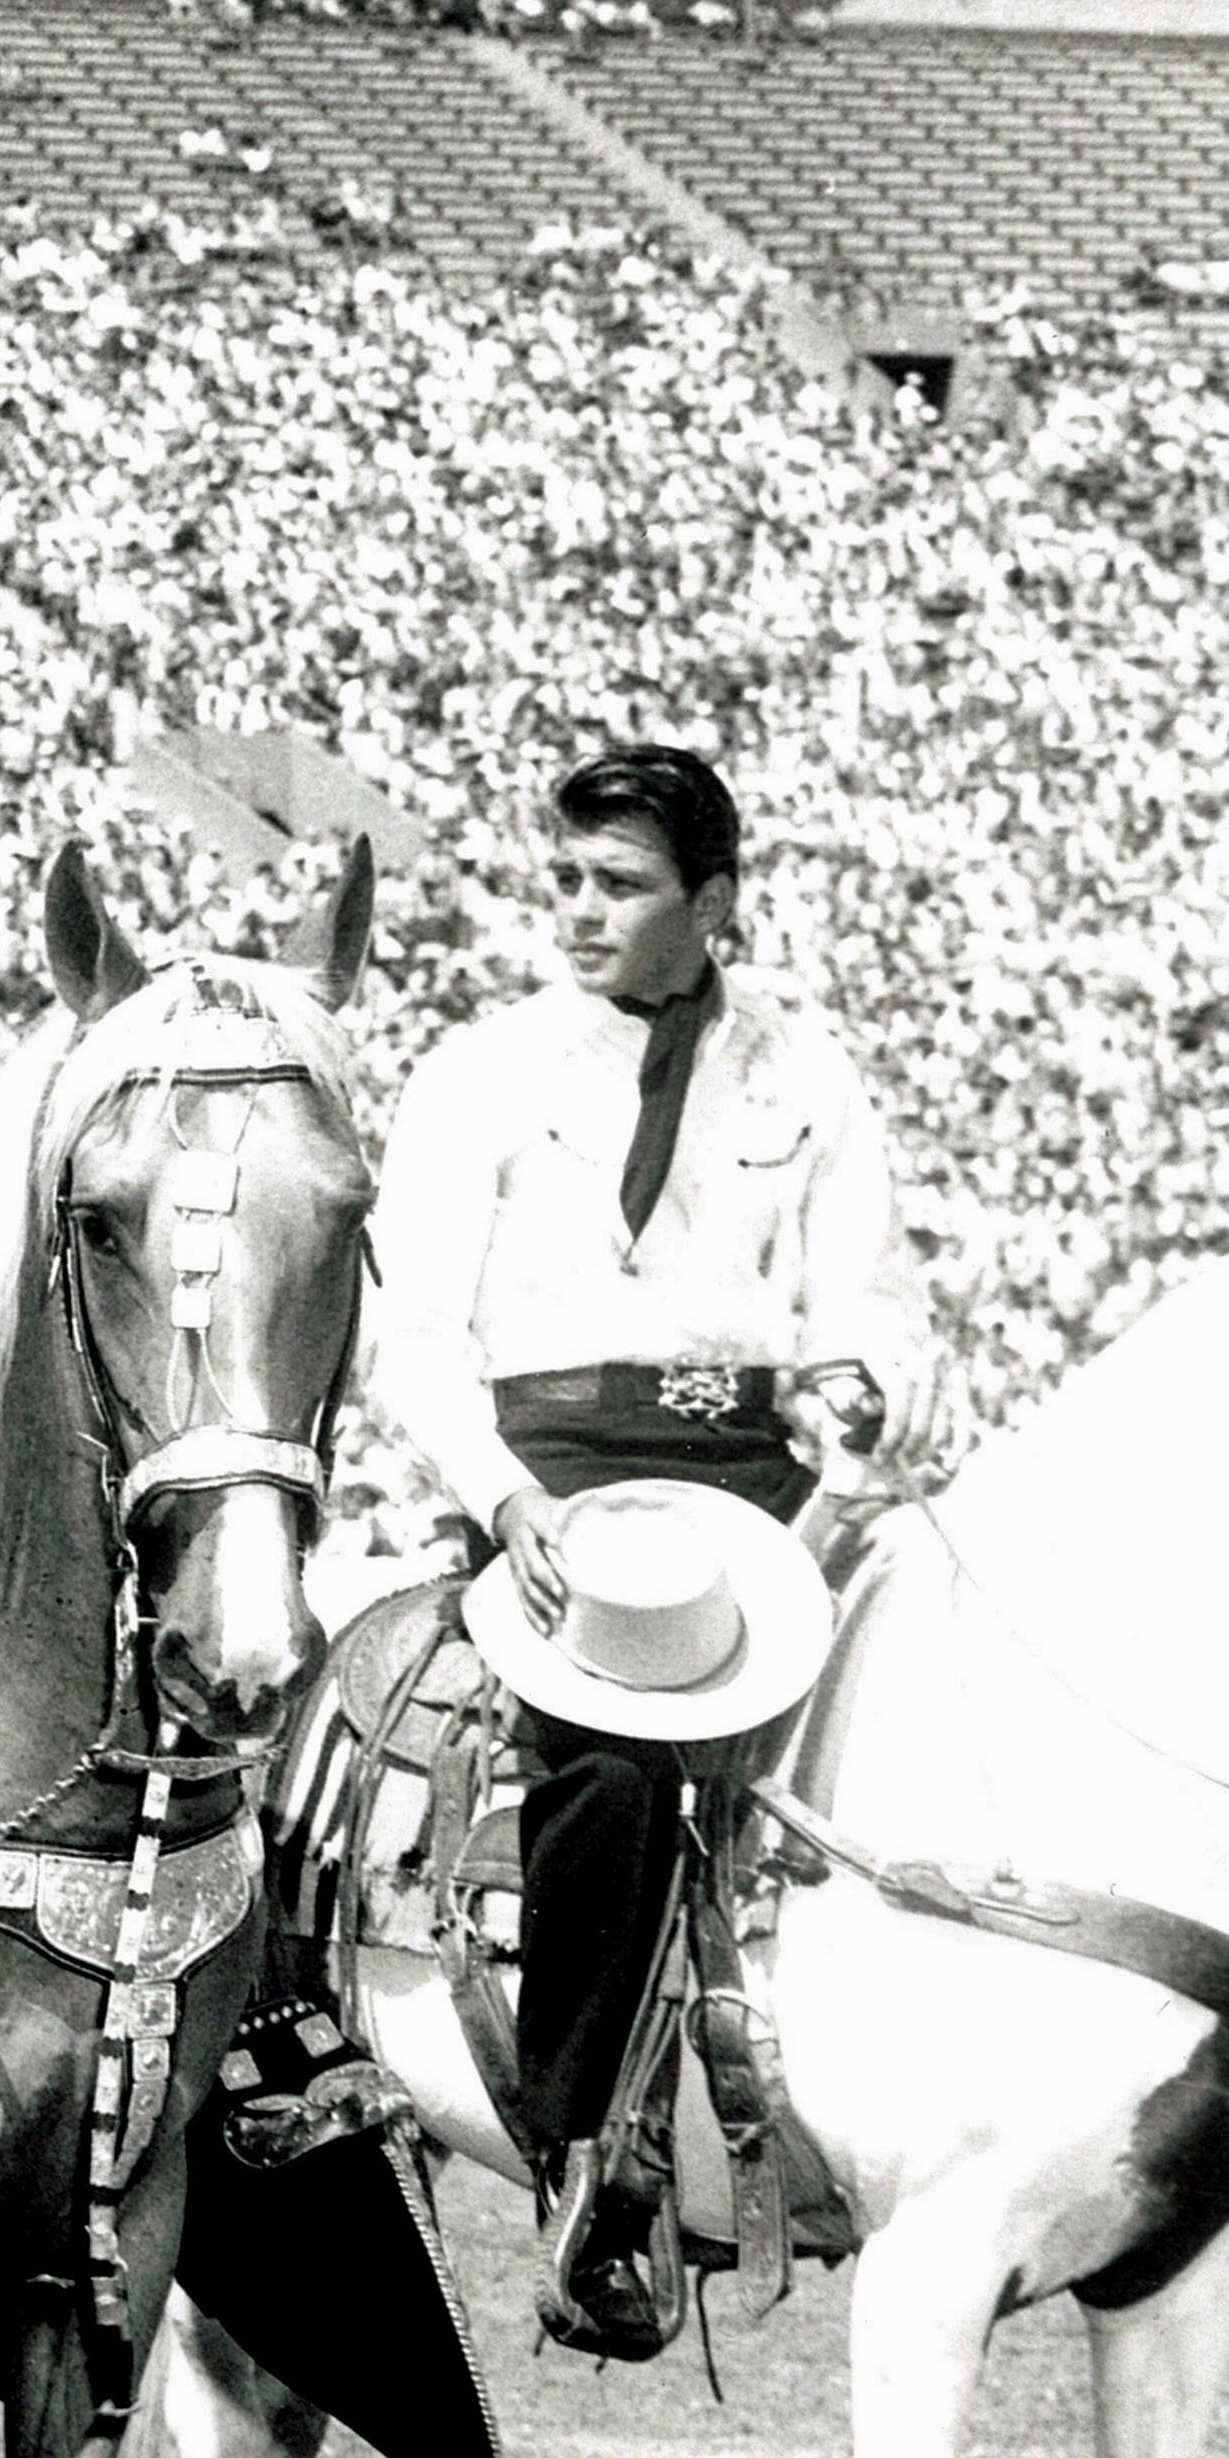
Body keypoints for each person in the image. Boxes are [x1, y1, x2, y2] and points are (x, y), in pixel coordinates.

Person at [364, 741, 929, 2357]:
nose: (579, 910)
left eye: (618, 885)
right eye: (568, 878)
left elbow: (871, 1302)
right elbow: (409, 1330)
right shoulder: (484, 1064)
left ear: (713, 901)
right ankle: (584, 2165)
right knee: (608, 1761)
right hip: (554, 1482)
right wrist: (501, 1499)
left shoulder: (800, 1074)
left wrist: (854, 1385)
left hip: (754, 1484)